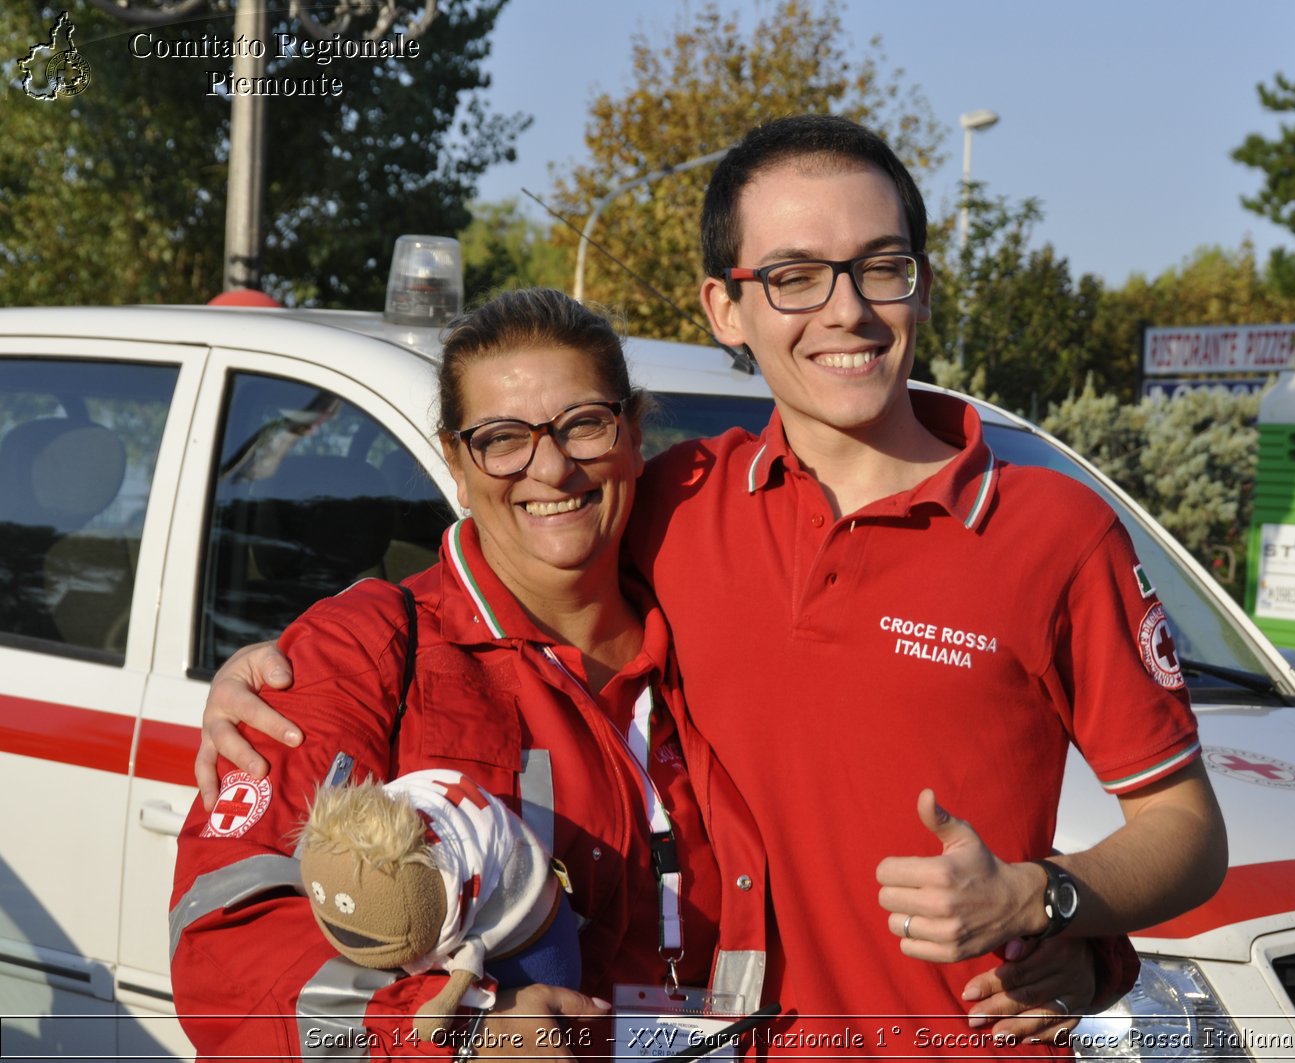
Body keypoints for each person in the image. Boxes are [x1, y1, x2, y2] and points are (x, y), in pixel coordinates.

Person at [200, 116, 1228, 1055]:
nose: (847, 310)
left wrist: (1053, 908)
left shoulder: (1052, 528)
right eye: (793, 276)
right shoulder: (686, 501)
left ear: (921, 283)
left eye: (880, 266)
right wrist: (281, 664)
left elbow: (1187, 833)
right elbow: (511, 556)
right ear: (725, 307)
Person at [170, 290, 770, 1058]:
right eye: (502, 438)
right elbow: (223, 944)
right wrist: (455, 1035)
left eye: (584, 423)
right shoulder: (368, 650)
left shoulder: (721, 645)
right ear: (456, 460)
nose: (550, 467)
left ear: (634, 433)